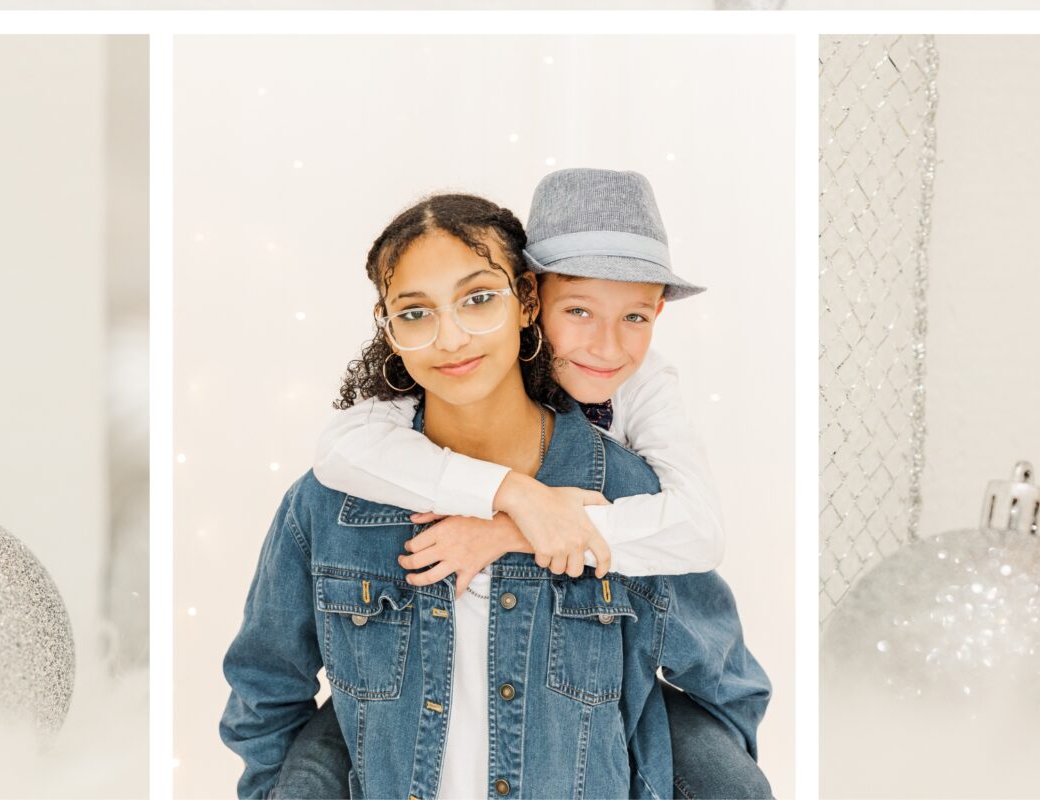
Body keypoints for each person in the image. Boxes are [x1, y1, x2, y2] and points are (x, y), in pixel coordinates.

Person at [220, 192, 769, 800]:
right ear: (388, 325)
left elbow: (725, 688)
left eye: (478, 299)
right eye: (415, 313)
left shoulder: (628, 480)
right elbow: (265, 691)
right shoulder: (331, 502)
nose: (450, 338)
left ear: (526, 301)